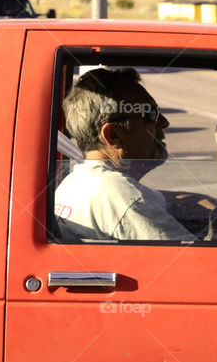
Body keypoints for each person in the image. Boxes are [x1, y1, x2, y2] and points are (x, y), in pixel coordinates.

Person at [54, 67, 193, 241]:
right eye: (150, 114)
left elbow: (165, 199)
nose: (164, 123)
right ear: (113, 135)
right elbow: (197, 261)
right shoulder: (124, 198)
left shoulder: (73, 184)